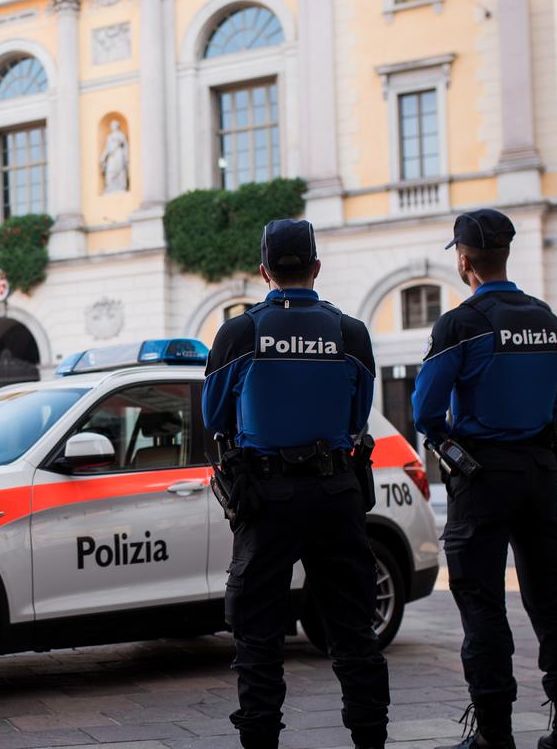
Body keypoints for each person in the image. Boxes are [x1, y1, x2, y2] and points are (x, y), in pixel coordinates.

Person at [203, 219, 389, 749]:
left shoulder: (239, 332)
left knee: (258, 635)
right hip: (336, 494)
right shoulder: (351, 333)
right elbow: (359, 414)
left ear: (264, 271)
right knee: (354, 630)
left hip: (266, 499)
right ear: (316, 267)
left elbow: (214, 416)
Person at [412, 210, 557, 749]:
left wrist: (456, 445)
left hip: (482, 477)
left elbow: (425, 410)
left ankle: (494, 734)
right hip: (540, 476)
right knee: (552, 603)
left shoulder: (460, 323)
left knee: (482, 605)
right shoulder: (550, 320)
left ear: (464, 261)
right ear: (506, 256)